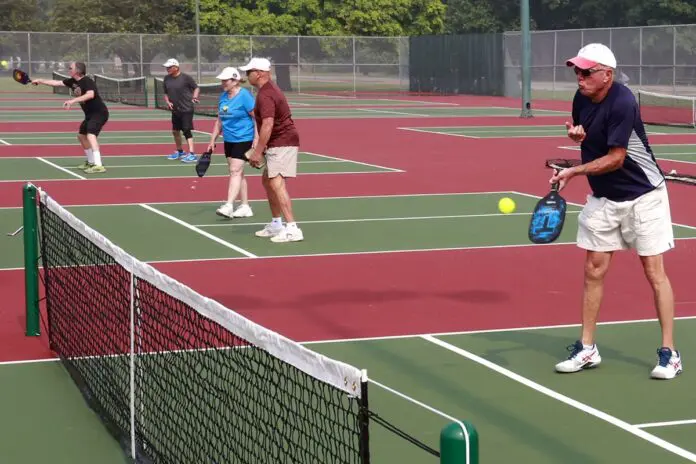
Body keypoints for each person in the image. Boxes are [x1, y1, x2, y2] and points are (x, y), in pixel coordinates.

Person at [552, 43, 682, 380]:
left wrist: (573, 172)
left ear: (606, 75)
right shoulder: (581, 100)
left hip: (644, 195)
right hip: (605, 196)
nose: (579, 78)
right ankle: (587, 348)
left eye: (586, 72)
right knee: (593, 269)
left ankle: (670, 353)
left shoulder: (623, 102)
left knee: (654, 272)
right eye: (576, 71)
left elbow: (616, 158)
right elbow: (590, 142)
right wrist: (576, 136)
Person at [240, 57, 304, 243]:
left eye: (249, 72)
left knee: (276, 183)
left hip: (283, 141)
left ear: (259, 73)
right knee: (268, 182)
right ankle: (277, 223)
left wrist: (258, 151)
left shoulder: (266, 95)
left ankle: (292, 228)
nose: (247, 75)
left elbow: (267, 124)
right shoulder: (266, 91)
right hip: (278, 141)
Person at [30, 61, 109, 174]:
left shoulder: (87, 81)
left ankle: (98, 165)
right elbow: (56, 83)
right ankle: (91, 162)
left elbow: (90, 94)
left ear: (77, 70)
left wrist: (72, 101)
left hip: (99, 113)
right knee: (81, 136)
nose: (68, 69)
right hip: (89, 114)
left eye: (70, 68)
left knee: (91, 135)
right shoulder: (72, 81)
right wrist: (40, 81)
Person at [206, 67, 257, 218]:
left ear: (235, 80)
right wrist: (212, 139)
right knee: (237, 172)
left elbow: (257, 118)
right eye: (222, 80)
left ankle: (228, 205)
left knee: (235, 171)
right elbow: (219, 120)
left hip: (244, 138)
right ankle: (245, 206)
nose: (223, 83)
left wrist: (257, 138)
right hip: (229, 140)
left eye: (225, 80)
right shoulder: (223, 96)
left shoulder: (245, 96)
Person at [162, 58, 200, 163]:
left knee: (186, 130)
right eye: (167, 67)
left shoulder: (186, 78)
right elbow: (165, 93)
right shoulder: (166, 79)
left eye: (169, 67)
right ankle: (180, 151)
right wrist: (168, 102)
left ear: (176, 67)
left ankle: (192, 154)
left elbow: (196, 88)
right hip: (175, 110)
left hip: (187, 108)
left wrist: (195, 97)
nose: (167, 69)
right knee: (175, 131)